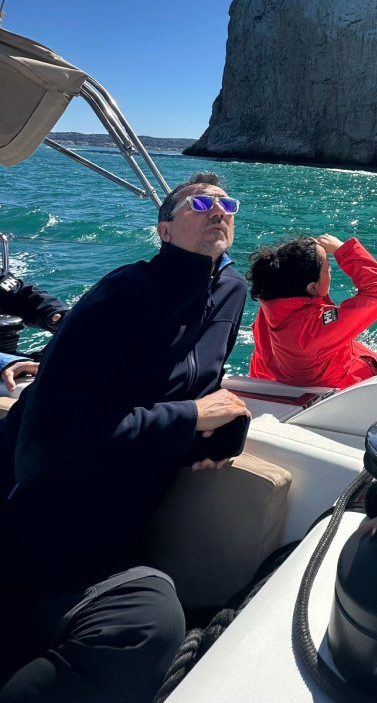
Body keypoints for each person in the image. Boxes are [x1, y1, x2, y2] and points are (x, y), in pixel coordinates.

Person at [0, 172, 251, 703]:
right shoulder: (126, 291)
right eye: (199, 202)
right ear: (163, 227)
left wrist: (224, 429)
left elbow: (192, 384)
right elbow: (45, 452)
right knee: (150, 622)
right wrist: (188, 418)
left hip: (104, 538)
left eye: (226, 202)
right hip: (31, 524)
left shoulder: (230, 291)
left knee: (150, 622)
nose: (217, 210)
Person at [248, 234, 377, 389]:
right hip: (361, 392)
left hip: (329, 392)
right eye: (328, 268)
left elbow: (261, 363)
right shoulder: (315, 329)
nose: (331, 271)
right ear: (311, 287)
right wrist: (341, 249)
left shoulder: (268, 314)